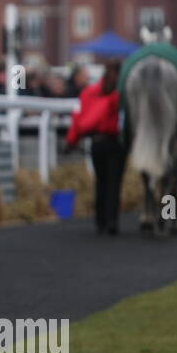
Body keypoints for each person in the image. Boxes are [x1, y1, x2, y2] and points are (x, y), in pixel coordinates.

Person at [66, 59, 124, 235]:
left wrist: (71, 141)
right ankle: (112, 220)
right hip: (115, 142)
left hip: (96, 142)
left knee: (101, 181)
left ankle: (100, 220)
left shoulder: (89, 92)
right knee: (114, 182)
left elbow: (77, 117)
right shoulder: (120, 94)